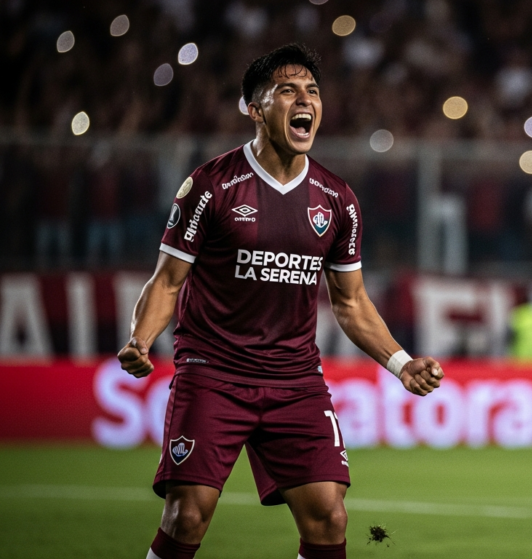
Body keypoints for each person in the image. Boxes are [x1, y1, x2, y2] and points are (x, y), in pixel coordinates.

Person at [117, 44, 444, 559]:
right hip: (214, 372)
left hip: (294, 380)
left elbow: (352, 302)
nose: (305, 100)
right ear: (254, 107)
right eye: (287, 90)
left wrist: (401, 364)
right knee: (187, 516)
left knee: (329, 516)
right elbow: (167, 281)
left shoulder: (337, 199)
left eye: (312, 91)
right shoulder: (211, 186)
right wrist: (140, 339)